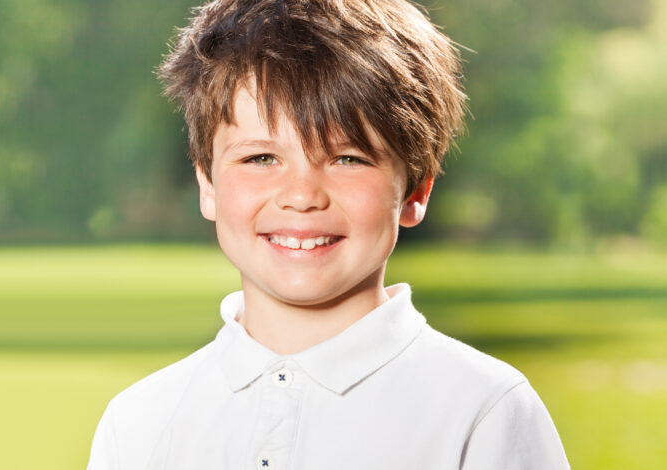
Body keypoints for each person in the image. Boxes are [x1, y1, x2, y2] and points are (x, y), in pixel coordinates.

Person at [88, 0, 571, 468]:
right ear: (208, 184)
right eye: (260, 158)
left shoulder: (483, 413)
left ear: (415, 191)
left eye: (348, 159)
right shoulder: (138, 423)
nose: (301, 196)